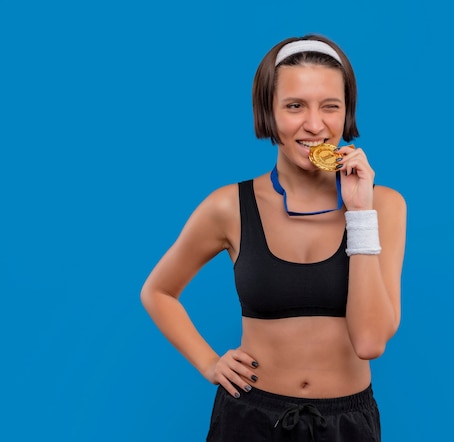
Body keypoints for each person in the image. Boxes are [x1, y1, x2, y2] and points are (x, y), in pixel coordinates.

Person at [140, 33, 407, 441]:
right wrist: (211, 363)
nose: (315, 124)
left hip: (345, 424)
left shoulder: (382, 206)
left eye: (330, 106)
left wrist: (359, 213)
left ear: (347, 112)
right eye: (295, 106)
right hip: (249, 418)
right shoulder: (228, 206)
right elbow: (157, 292)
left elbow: (370, 342)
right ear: (268, 112)